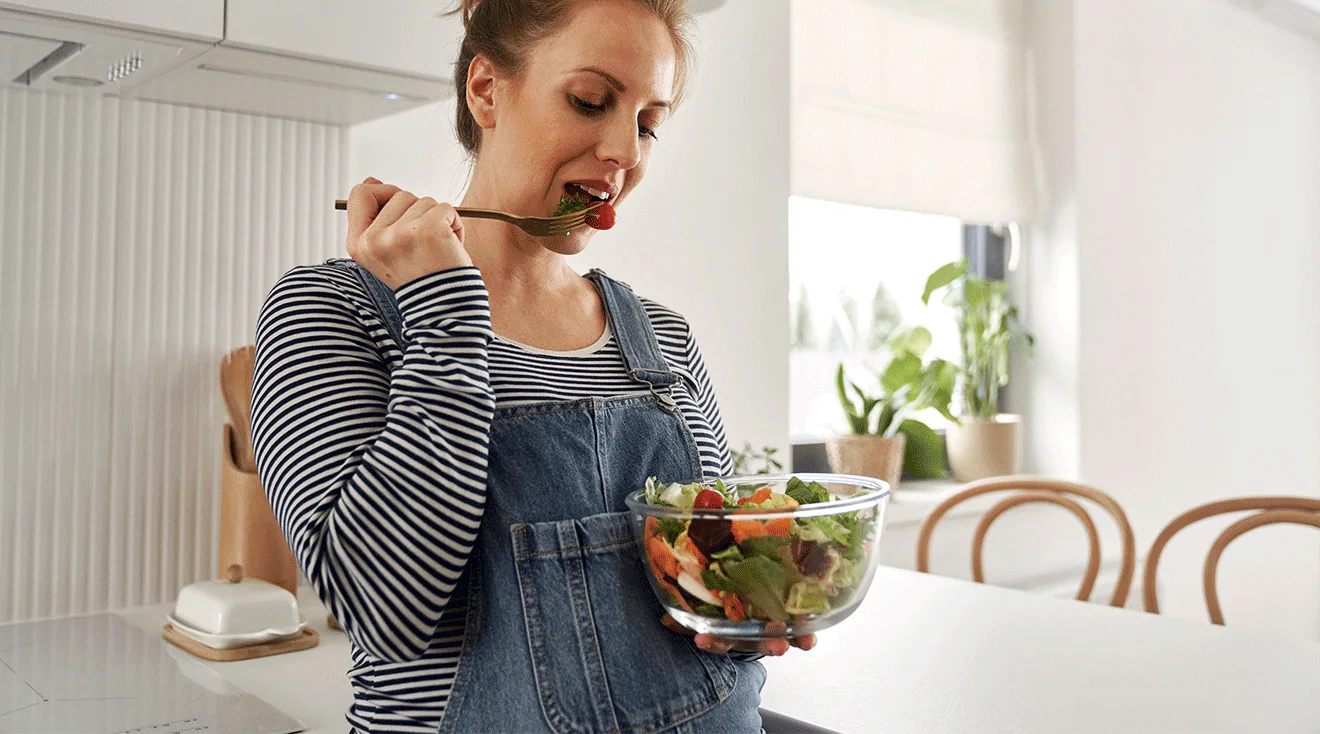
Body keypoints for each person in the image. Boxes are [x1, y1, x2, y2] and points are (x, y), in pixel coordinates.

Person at [251, 0, 812, 731]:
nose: (626, 151)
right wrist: (446, 312)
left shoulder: (665, 341)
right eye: (590, 101)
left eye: (648, 122)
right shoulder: (335, 309)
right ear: (485, 89)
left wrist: (747, 609)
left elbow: (706, 587)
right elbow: (383, 609)